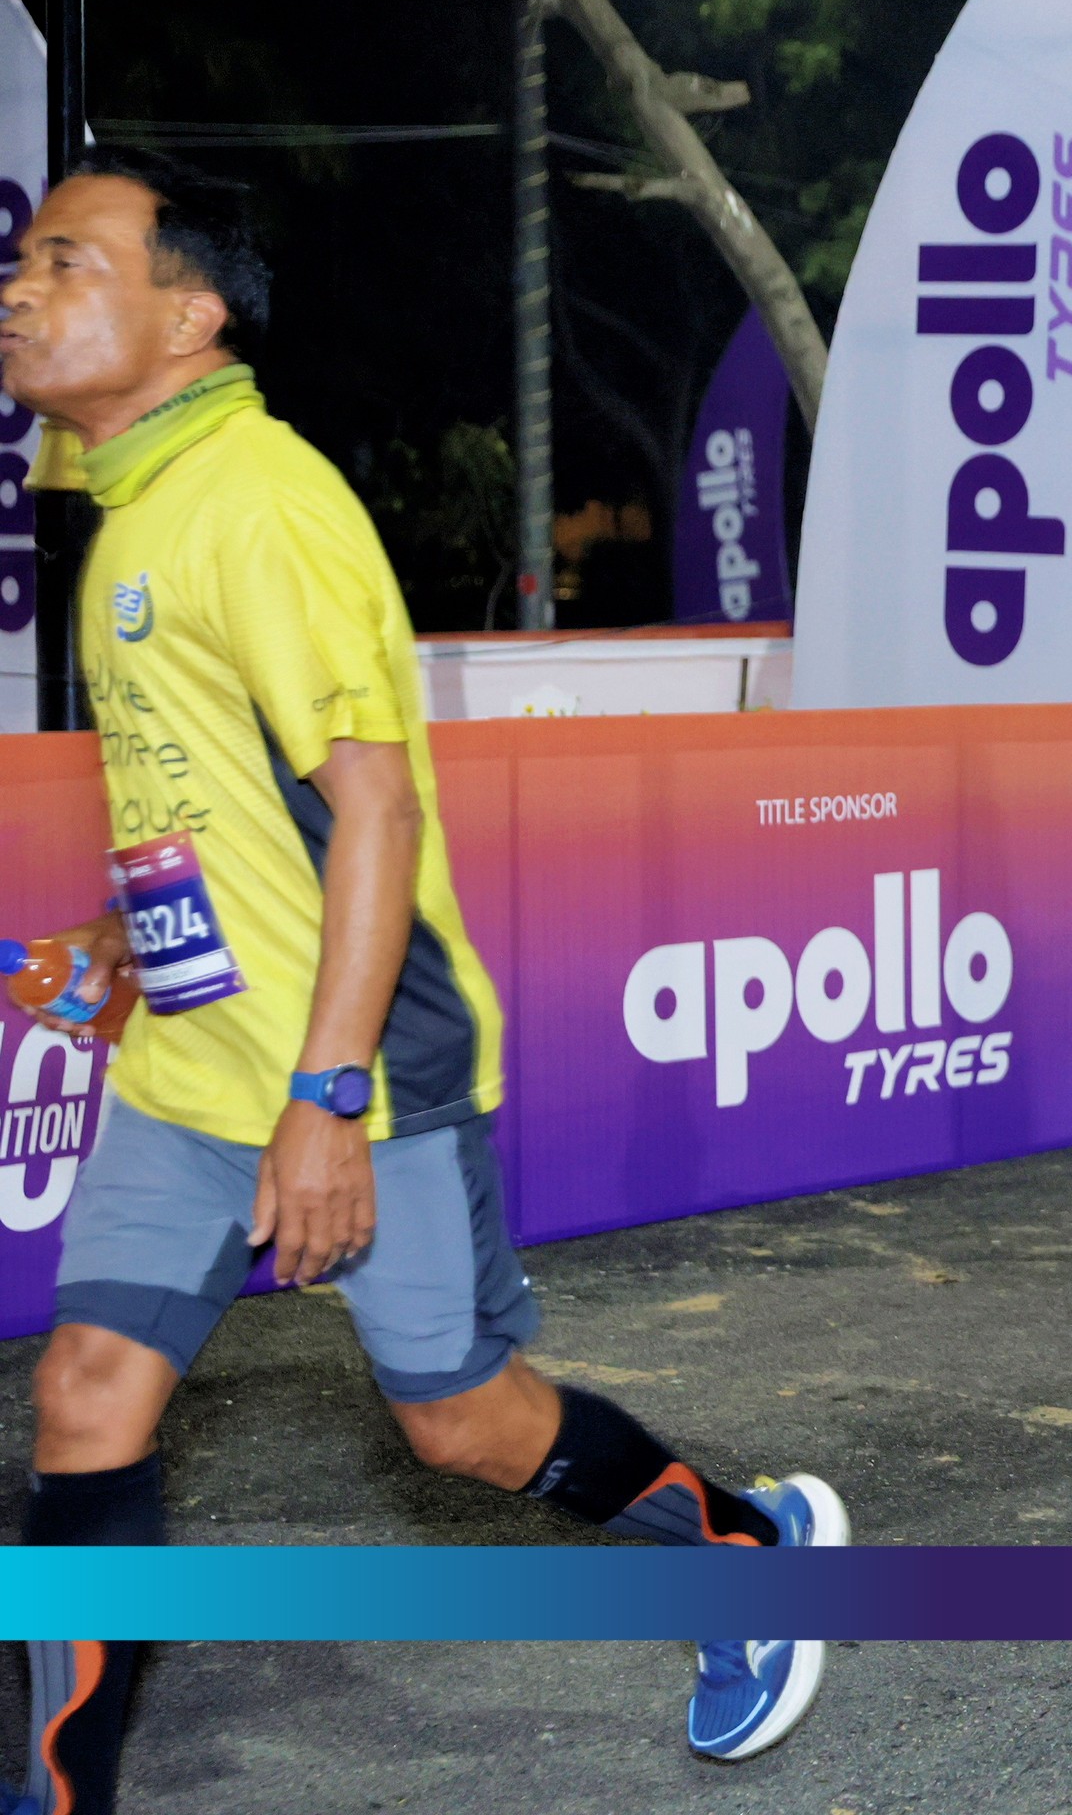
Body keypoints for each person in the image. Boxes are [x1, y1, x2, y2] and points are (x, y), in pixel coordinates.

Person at [0, 152, 846, 1814]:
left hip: (362, 1066)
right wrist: (118, 936)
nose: (20, 289)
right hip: (188, 1074)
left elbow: (376, 809)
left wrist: (326, 1098)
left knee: (460, 1424)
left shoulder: (261, 505)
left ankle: (746, 1553)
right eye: (22, 261)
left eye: (66, 260)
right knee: (85, 1396)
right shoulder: (134, 511)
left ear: (191, 313)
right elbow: (215, 796)